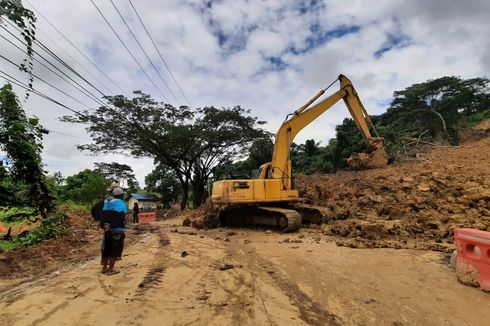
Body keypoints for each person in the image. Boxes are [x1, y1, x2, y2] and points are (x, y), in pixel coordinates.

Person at [100, 187, 128, 275]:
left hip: (107, 229)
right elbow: (124, 213)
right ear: (121, 195)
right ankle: (111, 270)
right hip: (117, 229)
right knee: (114, 250)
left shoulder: (107, 202)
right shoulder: (121, 204)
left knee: (107, 248)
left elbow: (104, 213)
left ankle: (104, 268)